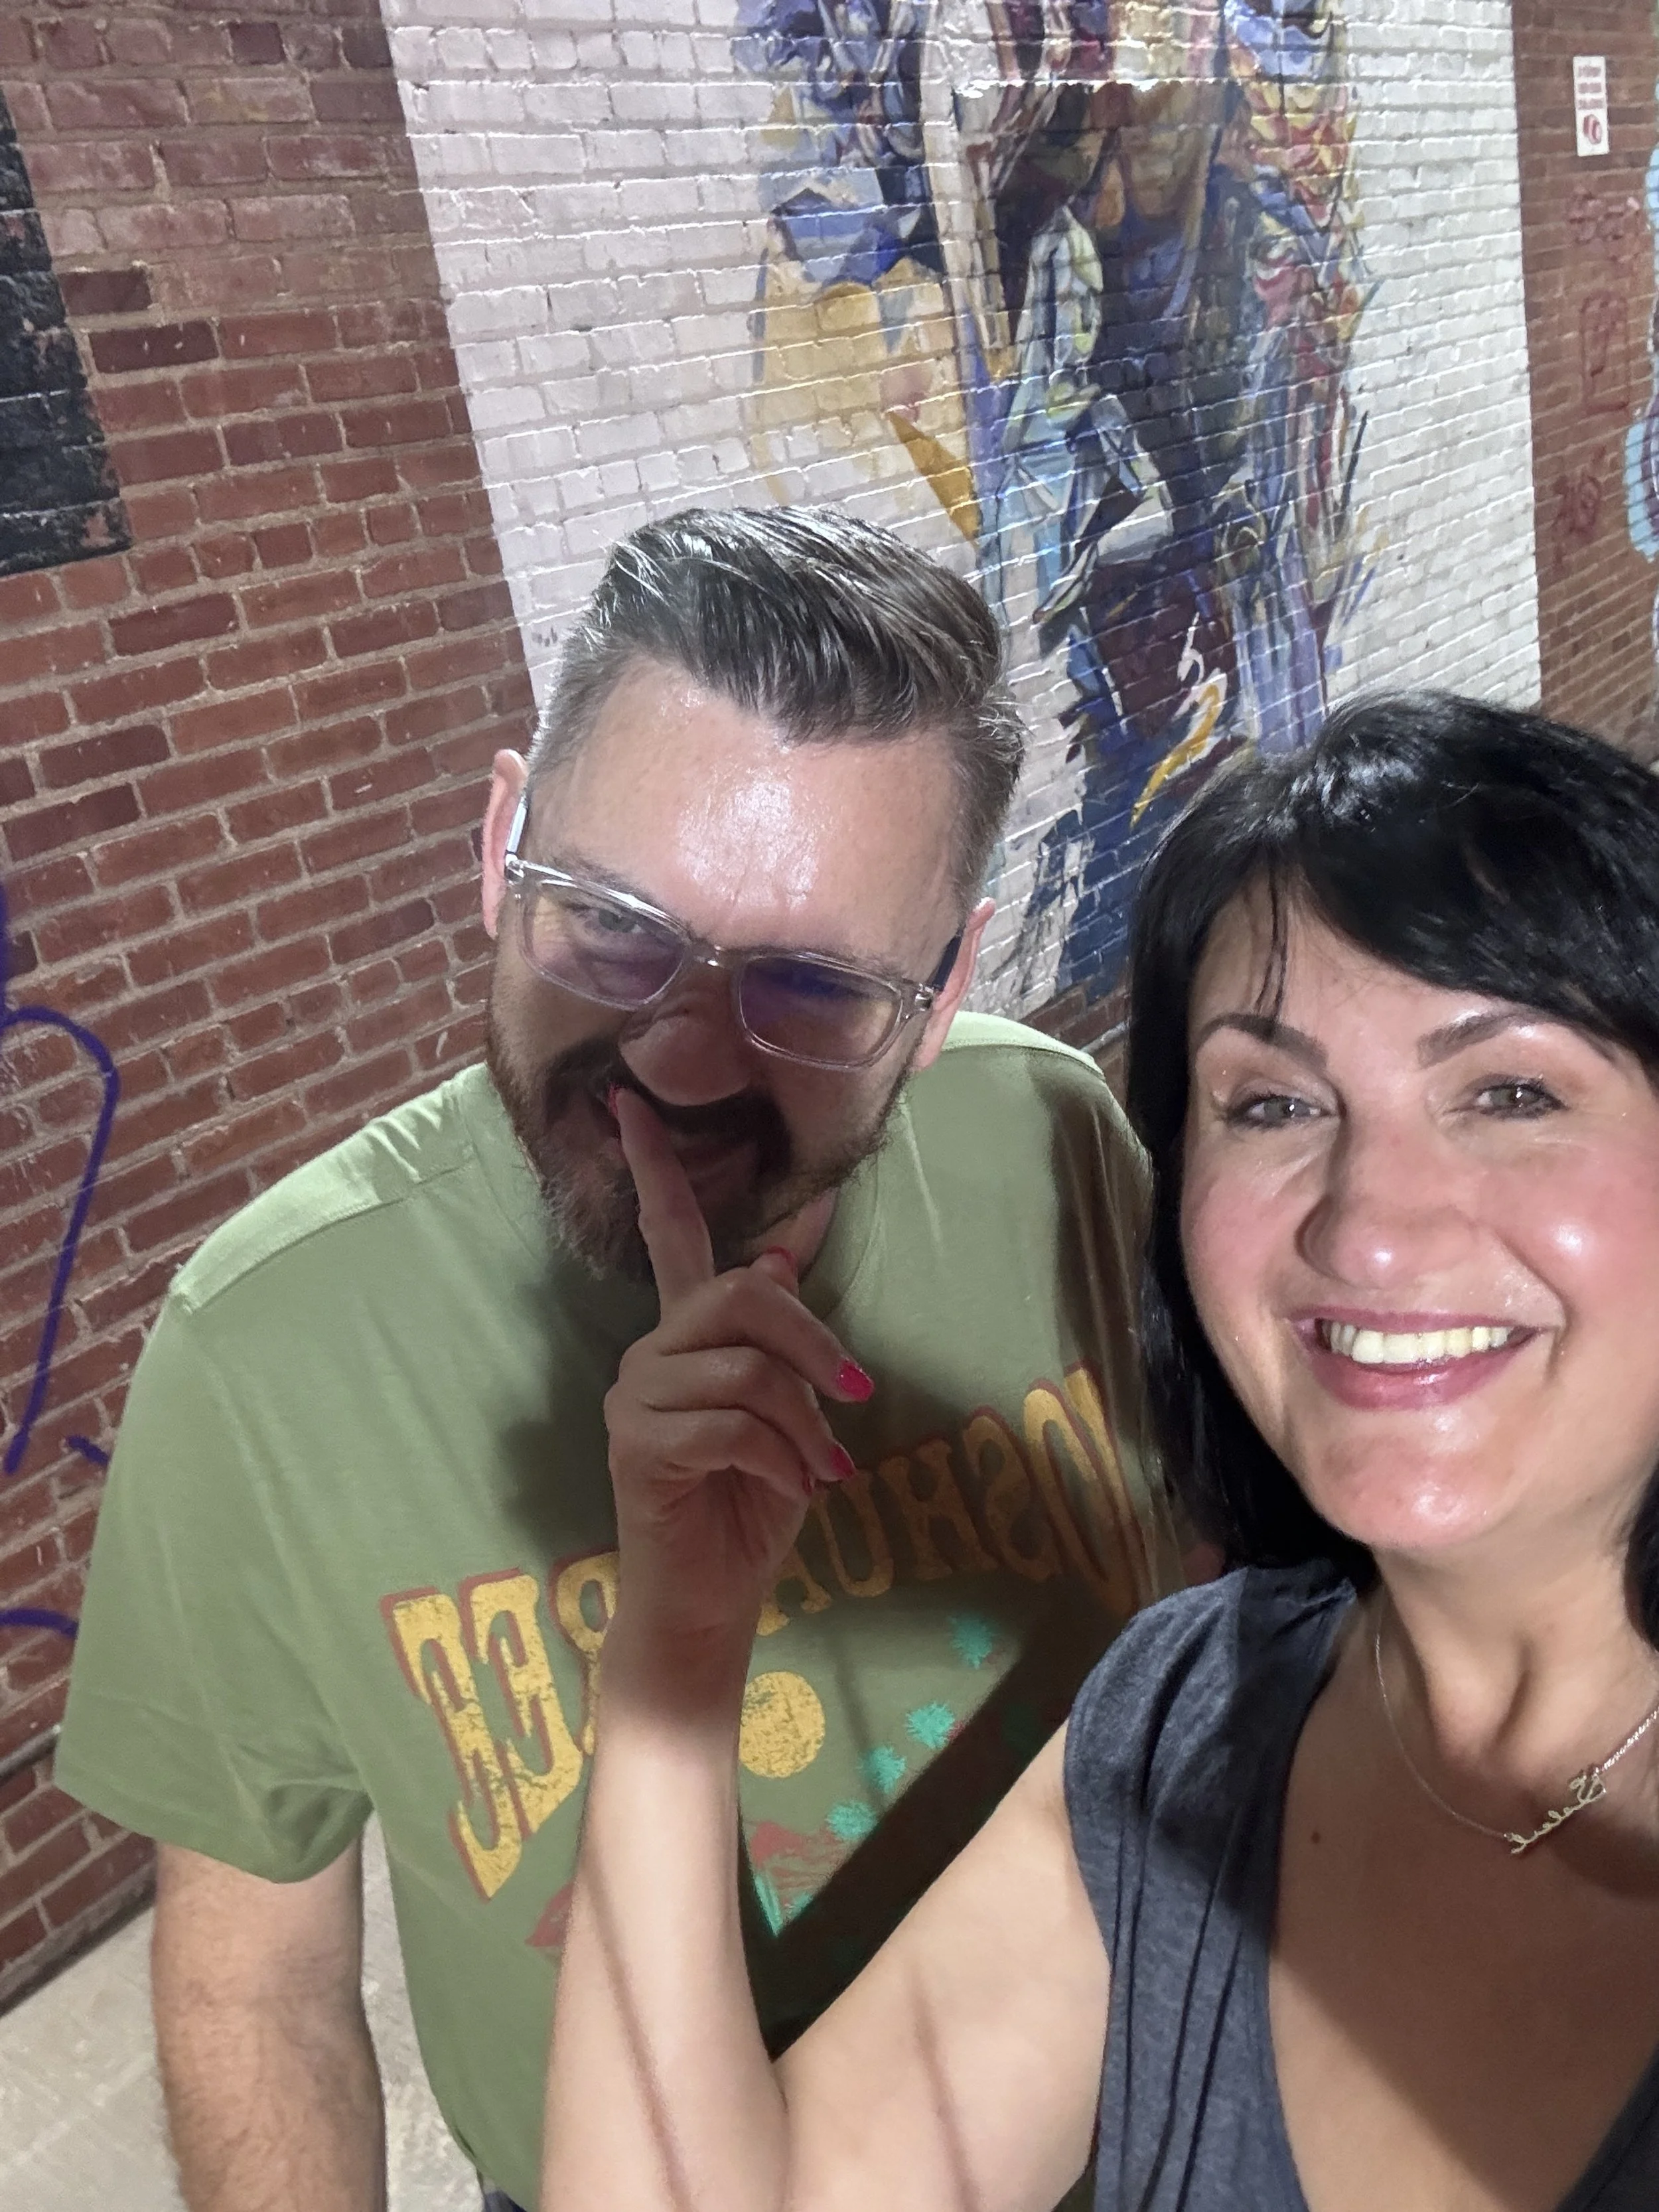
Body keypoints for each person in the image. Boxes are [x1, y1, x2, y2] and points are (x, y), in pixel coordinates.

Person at [56, 505, 1183, 2212]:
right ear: (501, 843)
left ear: (942, 987)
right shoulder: (260, 1347)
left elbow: (1192, 1615)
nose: (677, 1055)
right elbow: (259, 1987)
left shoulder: (1046, 1134)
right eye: (608, 921)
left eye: (808, 986)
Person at [544, 691, 1659, 2211]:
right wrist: (675, 1652)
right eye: (1269, 1103)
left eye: (1509, 1091)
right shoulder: (1172, 1731)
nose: (1366, 1223)